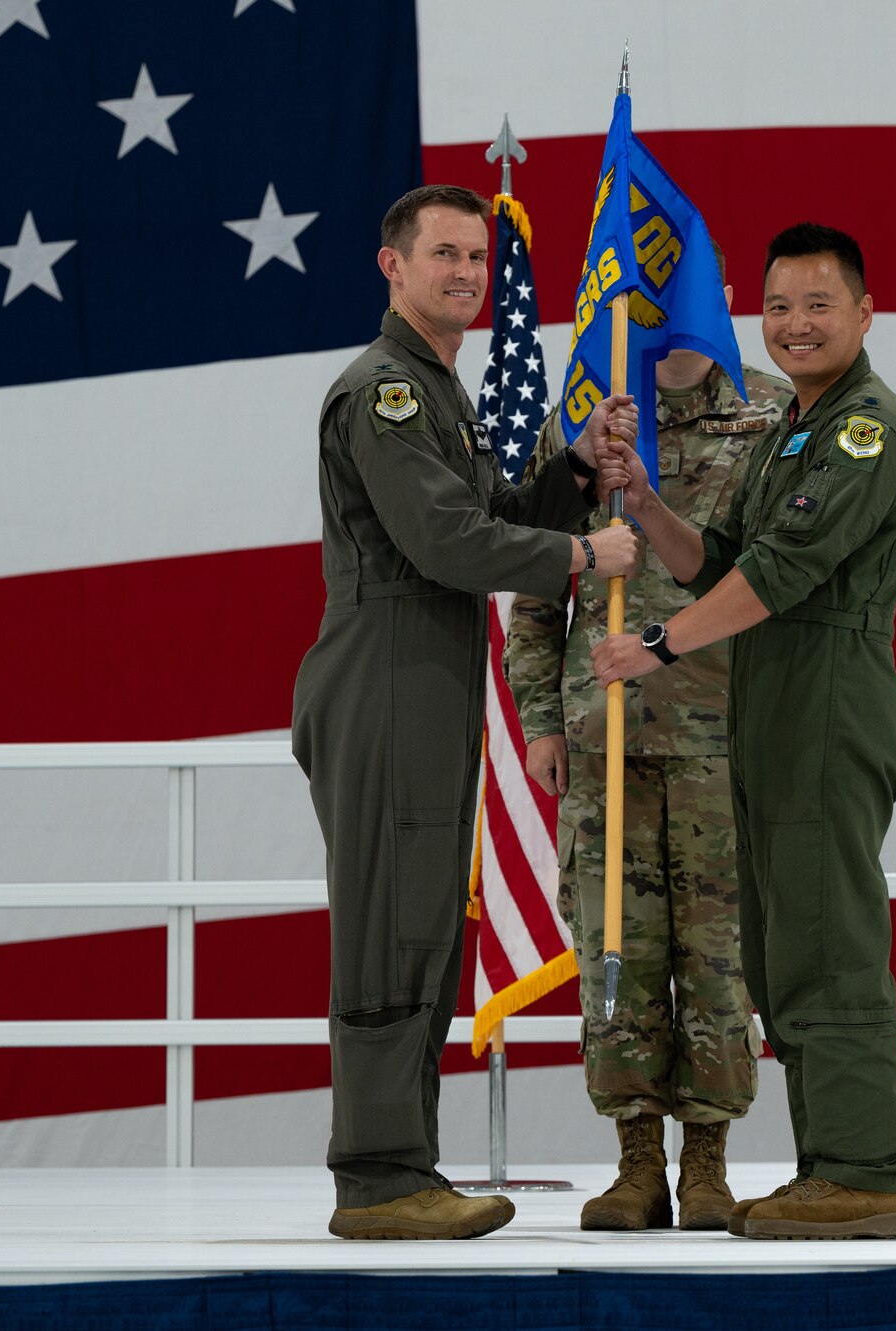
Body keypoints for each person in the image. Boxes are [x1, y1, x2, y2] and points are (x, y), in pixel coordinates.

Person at [291, 184, 638, 1241]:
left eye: (477, 260)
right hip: (388, 674)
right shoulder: (386, 394)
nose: (466, 275)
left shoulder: (438, 388)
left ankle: (403, 1165)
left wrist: (573, 471)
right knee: (392, 926)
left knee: (424, 923)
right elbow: (444, 540)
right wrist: (582, 553)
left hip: (424, 679)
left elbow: (486, 513)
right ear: (390, 265)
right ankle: (381, 1174)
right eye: (443, 255)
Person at [592, 222, 896, 1240]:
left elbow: (777, 576)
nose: (793, 324)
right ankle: (828, 1164)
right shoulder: (793, 429)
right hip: (772, 709)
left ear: (864, 314)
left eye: (817, 304)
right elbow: (718, 555)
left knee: (828, 942)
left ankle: (870, 1169)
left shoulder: (867, 428)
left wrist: (652, 644)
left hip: (827, 701)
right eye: (777, 306)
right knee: (781, 953)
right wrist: (646, 505)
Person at [503, 246, 792, 1231]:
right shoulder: (584, 420)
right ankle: (635, 1162)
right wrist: (542, 720)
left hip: (725, 738)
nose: (666, 316)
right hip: (605, 737)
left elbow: (779, 579)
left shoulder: (770, 416)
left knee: (718, 956)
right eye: (647, 300)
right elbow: (535, 587)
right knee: (616, 952)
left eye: (685, 298)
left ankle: (707, 1161)